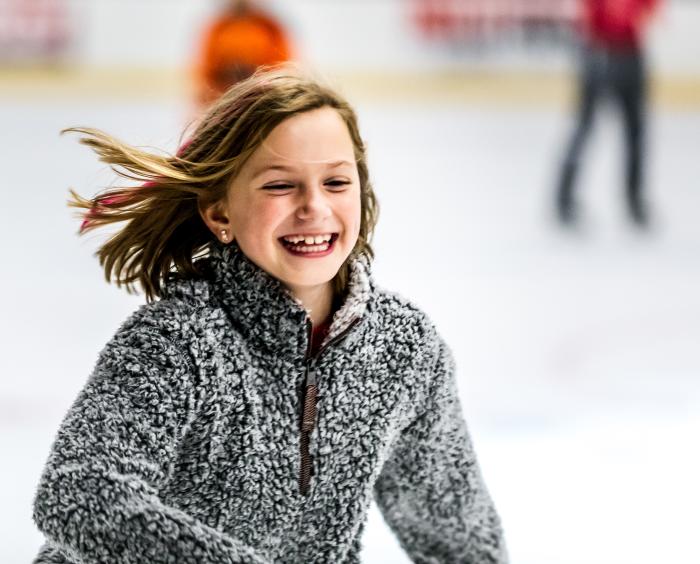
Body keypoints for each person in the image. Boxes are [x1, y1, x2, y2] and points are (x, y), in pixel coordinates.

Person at [31, 66, 508, 564]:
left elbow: (458, 536)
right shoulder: (176, 341)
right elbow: (79, 493)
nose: (314, 207)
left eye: (337, 182)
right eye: (281, 186)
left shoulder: (404, 348)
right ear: (219, 213)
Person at [556, 0, 660, 228]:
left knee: (635, 133)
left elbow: (650, 10)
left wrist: (632, 16)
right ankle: (563, 198)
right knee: (584, 128)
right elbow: (588, 13)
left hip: (630, 53)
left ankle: (634, 201)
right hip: (598, 51)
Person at [194, 0, 292, 107]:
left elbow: (282, 71)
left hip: (262, 98)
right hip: (225, 100)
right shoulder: (217, 29)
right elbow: (207, 75)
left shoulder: (270, 28)